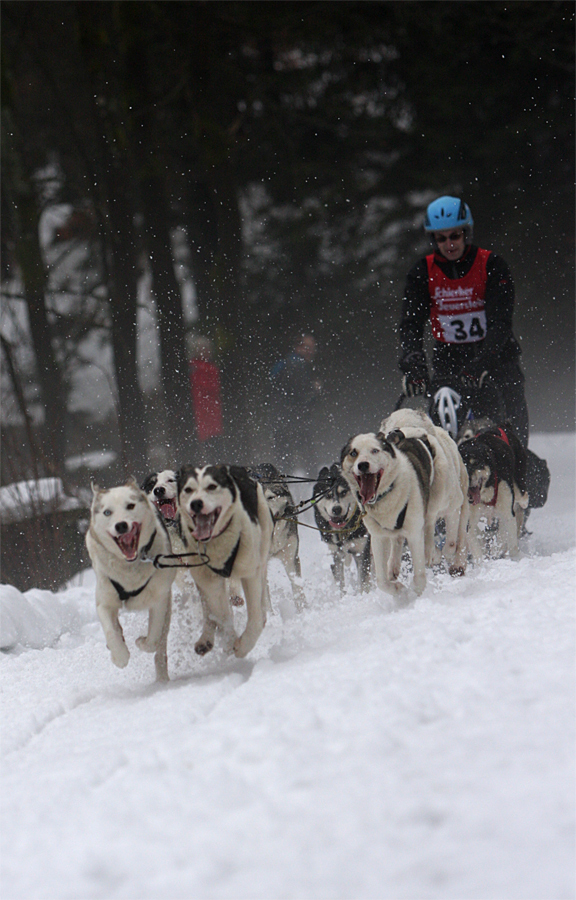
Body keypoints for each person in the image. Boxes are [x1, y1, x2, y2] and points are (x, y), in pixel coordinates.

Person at [398, 195, 529, 446]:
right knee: (447, 437)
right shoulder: (421, 272)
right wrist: (413, 360)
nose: (449, 244)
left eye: (454, 236)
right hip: (450, 360)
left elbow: (501, 322)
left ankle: (517, 475)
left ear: (465, 233)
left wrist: (484, 362)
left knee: (513, 434)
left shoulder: (492, 265)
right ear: (433, 239)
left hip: (497, 358)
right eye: (441, 238)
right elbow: (410, 323)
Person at [269, 332, 322, 473]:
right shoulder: (297, 365)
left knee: (284, 458)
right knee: (307, 458)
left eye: (313, 348)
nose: (311, 352)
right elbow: (300, 394)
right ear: (298, 347)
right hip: (294, 419)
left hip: (281, 417)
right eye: (308, 347)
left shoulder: (285, 363)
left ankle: (286, 486)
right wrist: (314, 390)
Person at [188, 336, 225, 461]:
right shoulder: (200, 368)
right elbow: (213, 387)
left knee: (213, 449)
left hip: (211, 415)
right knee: (210, 450)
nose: (207, 352)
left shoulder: (205, 367)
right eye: (204, 350)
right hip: (202, 414)